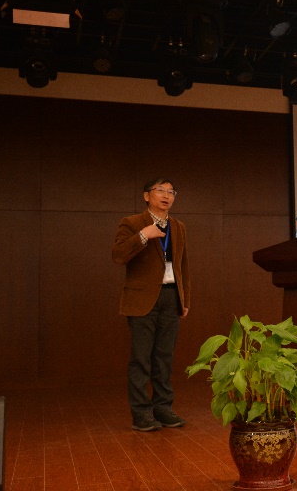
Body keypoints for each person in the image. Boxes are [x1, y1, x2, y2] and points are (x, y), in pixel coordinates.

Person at [112, 177, 191, 432]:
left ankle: (163, 408)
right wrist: (144, 235)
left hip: (171, 297)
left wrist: (185, 299)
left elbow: (183, 265)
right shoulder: (132, 223)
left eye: (171, 192)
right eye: (160, 190)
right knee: (141, 359)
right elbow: (118, 255)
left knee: (164, 358)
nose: (167, 196)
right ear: (147, 196)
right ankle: (141, 413)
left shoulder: (178, 227)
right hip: (142, 299)